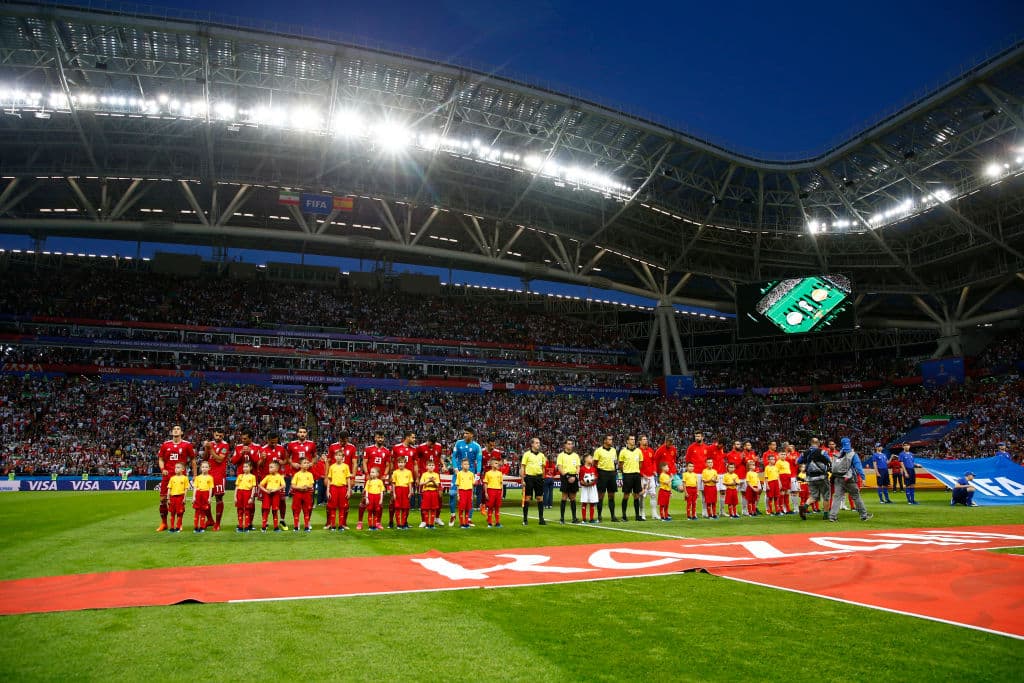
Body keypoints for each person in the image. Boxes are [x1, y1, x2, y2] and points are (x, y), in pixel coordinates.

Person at [156, 425, 196, 532]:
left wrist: (195, 475)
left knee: (180, 502)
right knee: (163, 500)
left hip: (181, 477)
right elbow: (160, 459)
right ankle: (164, 523)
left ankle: (179, 523)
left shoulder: (187, 445)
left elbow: (193, 460)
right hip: (167, 476)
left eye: (178, 429)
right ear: (171, 432)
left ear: (182, 432)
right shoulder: (165, 445)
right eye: (174, 429)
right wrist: (162, 469)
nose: (176, 430)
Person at [827, 438, 872, 522]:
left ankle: (832, 517)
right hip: (849, 479)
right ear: (850, 443)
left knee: (837, 498)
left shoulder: (837, 454)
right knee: (856, 496)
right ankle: (864, 515)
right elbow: (858, 467)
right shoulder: (852, 454)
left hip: (837, 478)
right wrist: (863, 478)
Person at [358, 432, 391, 531]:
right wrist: (367, 474)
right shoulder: (368, 449)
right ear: (375, 438)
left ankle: (378, 522)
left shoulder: (386, 451)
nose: (380, 439)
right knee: (364, 500)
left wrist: (384, 475)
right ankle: (360, 522)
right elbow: (364, 462)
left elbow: (388, 465)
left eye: (381, 437)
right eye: (378, 437)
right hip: (369, 478)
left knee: (379, 503)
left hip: (380, 480)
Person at [449, 428, 482, 527]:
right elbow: (454, 457)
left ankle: (469, 519)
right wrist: (455, 468)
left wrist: (478, 474)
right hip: (458, 472)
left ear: (472, 435)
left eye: (467, 433)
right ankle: (453, 515)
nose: (464, 435)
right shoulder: (458, 443)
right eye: (464, 433)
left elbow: (479, 461)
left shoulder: (477, 446)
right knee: (452, 493)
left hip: (470, 474)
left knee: (470, 497)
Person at [260, 433, 290, 530]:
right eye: (272, 442)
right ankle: (266, 522)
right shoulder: (263, 449)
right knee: (265, 502)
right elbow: (259, 464)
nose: (274, 444)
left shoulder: (281, 448)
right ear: (267, 440)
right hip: (267, 479)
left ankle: (282, 520)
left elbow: (286, 460)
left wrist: (283, 462)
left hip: (278, 478)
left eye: (276, 442)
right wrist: (263, 459)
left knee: (282, 499)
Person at [798, 438, 832, 520]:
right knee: (826, 496)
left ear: (810, 443)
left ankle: (805, 506)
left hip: (810, 478)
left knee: (813, 496)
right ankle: (826, 515)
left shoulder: (805, 453)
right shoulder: (822, 451)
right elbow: (829, 460)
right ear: (818, 443)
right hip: (822, 477)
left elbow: (798, 461)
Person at [204, 428, 230, 531]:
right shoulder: (210, 444)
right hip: (208, 475)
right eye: (216, 435)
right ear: (213, 434)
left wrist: (210, 449)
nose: (218, 437)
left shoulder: (225, 445)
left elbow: (220, 459)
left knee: (219, 498)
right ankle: (210, 520)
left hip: (219, 475)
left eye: (220, 436)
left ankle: (217, 523)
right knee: (205, 498)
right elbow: (205, 458)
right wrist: (206, 449)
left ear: (223, 436)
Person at [416, 435, 445, 527]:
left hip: (436, 475)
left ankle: (437, 517)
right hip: (425, 475)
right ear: (427, 441)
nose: (431, 446)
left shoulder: (439, 446)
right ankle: (424, 520)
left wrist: (443, 465)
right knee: (424, 499)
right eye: (430, 444)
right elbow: (417, 460)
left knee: (439, 496)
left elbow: (439, 457)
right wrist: (418, 476)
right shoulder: (421, 447)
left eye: (433, 445)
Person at [391, 431, 417, 529]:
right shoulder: (396, 447)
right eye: (413, 437)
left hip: (408, 480)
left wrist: (417, 478)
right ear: (407, 437)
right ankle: (392, 522)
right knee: (394, 502)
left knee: (407, 503)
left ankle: (404, 522)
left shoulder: (414, 450)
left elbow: (415, 465)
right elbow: (392, 462)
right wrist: (391, 475)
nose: (414, 440)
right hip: (397, 480)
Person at [521, 437, 547, 526]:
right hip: (529, 478)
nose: (538, 444)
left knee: (540, 498)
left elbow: (543, 468)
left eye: (539, 443)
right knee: (527, 498)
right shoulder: (526, 454)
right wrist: (522, 479)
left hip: (539, 478)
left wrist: (542, 478)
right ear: (532, 444)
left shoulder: (542, 455)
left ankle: (541, 519)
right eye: (536, 443)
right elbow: (522, 467)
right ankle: (525, 519)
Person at [326, 449, 353, 531]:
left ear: (343, 457)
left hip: (342, 488)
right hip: (333, 488)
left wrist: (348, 490)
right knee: (333, 507)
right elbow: (329, 479)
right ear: (334, 457)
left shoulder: (346, 466)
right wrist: (328, 490)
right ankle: (333, 525)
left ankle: (341, 525)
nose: (338, 457)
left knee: (342, 507)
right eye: (337, 455)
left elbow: (348, 478)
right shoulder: (332, 467)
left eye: (340, 455)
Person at [618, 435, 644, 522]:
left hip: (636, 475)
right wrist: (625, 472)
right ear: (627, 441)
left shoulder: (638, 451)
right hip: (627, 475)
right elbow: (620, 464)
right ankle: (624, 516)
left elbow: (641, 463)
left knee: (637, 495)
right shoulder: (623, 452)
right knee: (626, 495)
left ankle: (637, 516)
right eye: (631, 439)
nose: (633, 441)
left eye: (634, 439)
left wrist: (636, 470)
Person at [594, 434, 619, 523]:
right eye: (609, 439)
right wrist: (598, 473)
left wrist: (615, 471)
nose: (611, 441)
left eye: (611, 439)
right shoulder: (598, 451)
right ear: (604, 441)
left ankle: (613, 516)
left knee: (611, 495)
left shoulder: (613, 450)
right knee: (601, 496)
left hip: (612, 473)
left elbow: (615, 462)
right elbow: (595, 463)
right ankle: (599, 516)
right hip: (602, 473)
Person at [555, 439, 581, 524]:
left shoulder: (576, 456)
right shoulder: (561, 455)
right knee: (564, 497)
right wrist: (567, 476)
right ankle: (562, 518)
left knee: (573, 498)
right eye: (568, 444)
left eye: (571, 444)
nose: (570, 445)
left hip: (574, 477)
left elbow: (578, 467)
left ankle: (574, 518)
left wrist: (575, 476)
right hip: (565, 477)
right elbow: (560, 467)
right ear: (565, 445)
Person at [259, 461, 286, 532]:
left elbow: (283, 485)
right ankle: (263, 527)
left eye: (271, 467)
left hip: (276, 495)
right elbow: (260, 485)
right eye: (269, 467)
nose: (269, 469)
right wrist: (266, 490)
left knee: (275, 510)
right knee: (266, 510)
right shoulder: (267, 476)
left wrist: (275, 489)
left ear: (277, 469)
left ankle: (276, 527)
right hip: (267, 495)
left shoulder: (280, 476)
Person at [290, 458, 315, 532]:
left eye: (307, 463)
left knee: (307, 510)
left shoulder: (310, 474)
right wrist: (300, 487)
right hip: (298, 494)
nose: (307, 464)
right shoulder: (297, 474)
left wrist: (307, 486)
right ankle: (296, 526)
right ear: (300, 465)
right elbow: (293, 485)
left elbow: (311, 485)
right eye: (305, 463)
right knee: (296, 510)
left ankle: (306, 526)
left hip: (307, 494)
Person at [639, 435, 659, 520]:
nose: (645, 441)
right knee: (642, 496)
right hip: (642, 477)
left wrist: (654, 470)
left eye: (646, 439)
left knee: (653, 495)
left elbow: (654, 461)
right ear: (640, 441)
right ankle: (642, 514)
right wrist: (642, 474)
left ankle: (654, 514)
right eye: (643, 439)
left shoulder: (651, 450)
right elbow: (636, 465)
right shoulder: (638, 451)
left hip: (651, 477)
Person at [166, 463, 190, 533]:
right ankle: (172, 527)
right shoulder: (172, 478)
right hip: (173, 497)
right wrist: (168, 497)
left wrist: (184, 498)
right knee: (172, 513)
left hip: (180, 497)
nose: (176, 469)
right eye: (176, 467)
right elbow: (169, 488)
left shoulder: (185, 478)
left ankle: (178, 527)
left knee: (180, 513)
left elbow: (186, 489)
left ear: (183, 469)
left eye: (178, 467)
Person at [391, 457, 414, 530]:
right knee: (398, 507)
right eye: (399, 462)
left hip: (405, 490)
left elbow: (410, 483)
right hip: (398, 490)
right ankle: (398, 524)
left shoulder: (409, 472)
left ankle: (404, 523)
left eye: (402, 462)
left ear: (405, 463)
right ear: (397, 464)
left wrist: (410, 491)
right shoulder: (395, 472)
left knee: (405, 508)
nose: (400, 464)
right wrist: (394, 493)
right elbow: (393, 483)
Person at [234, 460, 257, 532]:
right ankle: (240, 526)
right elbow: (237, 487)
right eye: (244, 467)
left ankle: (246, 526)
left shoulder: (253, 476)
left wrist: (251, 497)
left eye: (246, 467)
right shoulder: (240, 476)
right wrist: (235, 496)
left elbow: (253, 487)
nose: (245, 468)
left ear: (251, 468)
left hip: (247, 493)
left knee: (247, 510)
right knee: (240, 510)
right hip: (240, 493)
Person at [192, 461, 215, 533]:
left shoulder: (210, 478)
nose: (204, 468)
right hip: (198, 494)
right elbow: (195, 488)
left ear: (209, 468)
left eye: (206, 467)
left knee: (203, 512)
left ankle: (201, 527)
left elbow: (210, 488)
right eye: (203, 467)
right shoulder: (197, 478)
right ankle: (196, 527)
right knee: (197, 511)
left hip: (206, 494)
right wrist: (193, 497)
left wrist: (209, 498)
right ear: (201, 468)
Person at [419, 460, 442, 529]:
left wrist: (433, 481)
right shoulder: (424, 474)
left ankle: (431, 524)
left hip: (434, 493)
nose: (431, 466)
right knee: (426, 508)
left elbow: (437, 485)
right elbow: (420, 483)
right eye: (429, 465)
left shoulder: (436, 475)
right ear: (426, 467)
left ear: (434, 467)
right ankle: (427, 523)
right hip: (426, 492)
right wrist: (428, 481)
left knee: (433, 508)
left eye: (432, 465)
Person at [482, 458, 505, 527]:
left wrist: (502, 492)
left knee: (497, 507)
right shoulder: (488, 473)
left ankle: (498, 523)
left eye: (498, 463)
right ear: (491, 464)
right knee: (490, 507)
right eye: (496, 463)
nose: (498, 464)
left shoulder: (500, 473)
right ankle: (489, 522)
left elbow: (501, 484)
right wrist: (486, 493)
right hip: (491, 491)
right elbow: (485, 483)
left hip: (498, 491)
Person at [455, 459, 476, 529]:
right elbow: (457, 485)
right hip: (462, 492)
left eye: (467, 464)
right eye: (465, 464)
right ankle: (461, 523)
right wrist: (458, 494)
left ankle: (466, 523)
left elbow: (472, 485)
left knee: (467, 508)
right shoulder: (459, 474)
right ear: (461, 465)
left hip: (469, 492)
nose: (466, 465)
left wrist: (472, 495)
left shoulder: (471, 474)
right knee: (461, 508)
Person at [578, 453, 599, 524]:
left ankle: (591, 519)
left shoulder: (594, 468)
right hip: (585, 488)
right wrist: (586, 483)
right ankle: (584, 519)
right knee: (584, 502)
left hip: (592, 487)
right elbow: (580, 480)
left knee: (592, 502)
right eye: (590, 458)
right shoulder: (582, 469)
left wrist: (591, 482)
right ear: (586, 459)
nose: (592, 459)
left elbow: (596, 478)